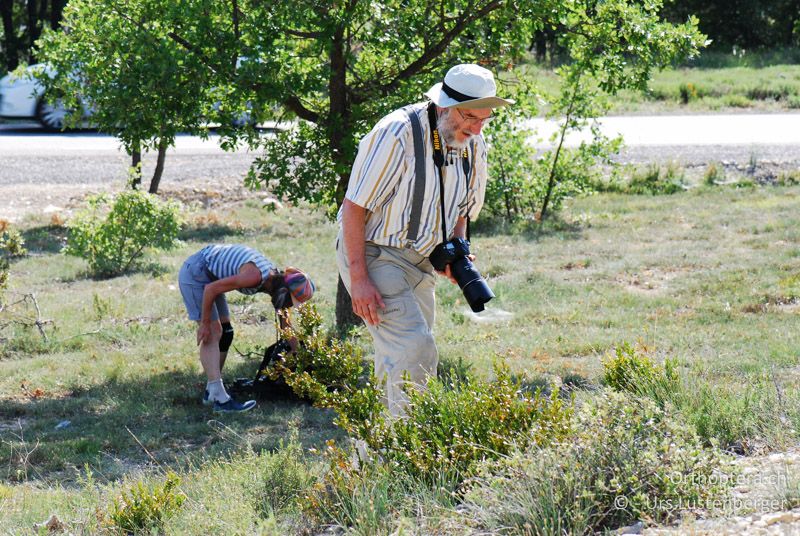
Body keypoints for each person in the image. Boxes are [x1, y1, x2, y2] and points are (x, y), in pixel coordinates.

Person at [336, 63, 513, 416]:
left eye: (485, 119)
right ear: (445, 105)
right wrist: (359, 279)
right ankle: (411, 454)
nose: (477, 128)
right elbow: (353, 208)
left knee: (398, 359)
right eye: (471, 118)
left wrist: (457, 250)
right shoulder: (396, 133)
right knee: (416, 348)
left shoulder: (471, 141)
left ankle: (371, 460)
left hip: (422, 261)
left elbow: (462, 207)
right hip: (376, 251)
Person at [178, 244, 315, 413]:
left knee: (225, 333)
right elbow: (210, 289)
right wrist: (204, 323)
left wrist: (300, 357)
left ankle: (211, 391)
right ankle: (219, 399)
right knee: (212, 333)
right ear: (283, 292)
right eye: (289, 302)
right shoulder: (254, 276)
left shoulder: (275, 282)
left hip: (211, 276)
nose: (288, 306)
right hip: (196, 273)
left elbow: (285, 326)